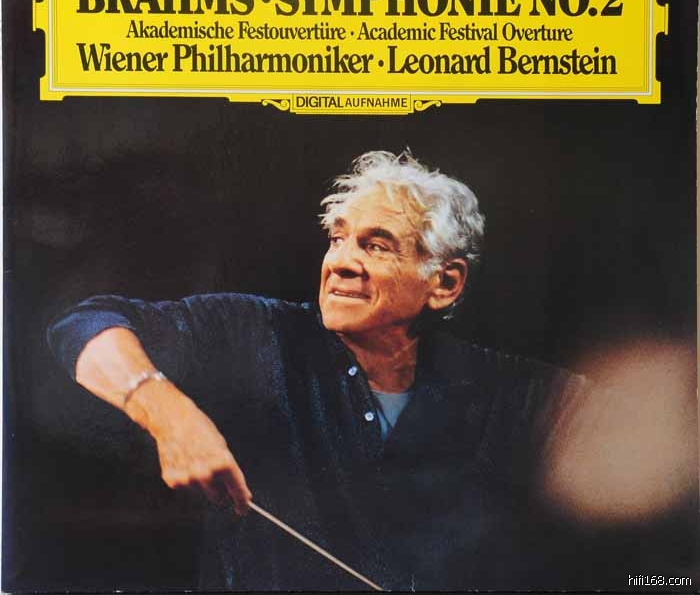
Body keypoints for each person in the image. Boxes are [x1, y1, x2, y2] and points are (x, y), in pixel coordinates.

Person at [48, 150, 590, 591]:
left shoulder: (494, 384)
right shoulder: (254, 332)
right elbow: (85, 324)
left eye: (376, 245)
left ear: (445, 283)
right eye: (338, 238)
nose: (341, 262)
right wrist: (169, 414)